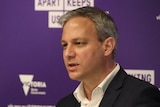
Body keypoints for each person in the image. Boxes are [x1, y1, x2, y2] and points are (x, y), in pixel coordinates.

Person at [56, 6, 160, 107]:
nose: (68, 53)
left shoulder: (141, 97)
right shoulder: (64, 104)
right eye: (65, 45)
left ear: (107, 47)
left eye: (79, 43)